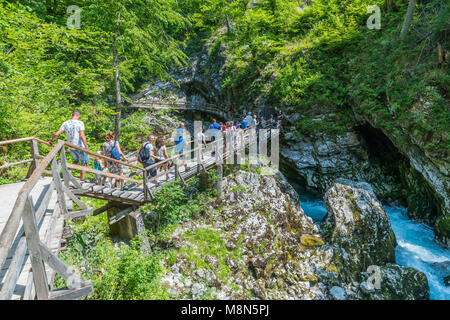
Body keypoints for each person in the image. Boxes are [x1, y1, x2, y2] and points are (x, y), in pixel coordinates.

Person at [49, 109, 89, 181]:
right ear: (78, 115)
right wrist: (86, 146)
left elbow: (57, 133)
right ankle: (82, 180)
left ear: (72, 115)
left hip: (71, 146)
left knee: (76, 160)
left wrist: (51, 140)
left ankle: (69, 173)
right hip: (80, 146)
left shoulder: (65, 123)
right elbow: (82, 135)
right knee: (84, 163)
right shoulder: (80, 123)